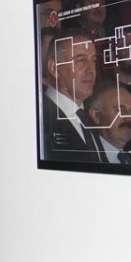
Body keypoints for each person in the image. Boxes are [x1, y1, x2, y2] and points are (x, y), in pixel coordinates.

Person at [39, 28, 102, 162]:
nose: (91, 70)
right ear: (55, 68)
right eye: (80, 60)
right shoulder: (41, 120)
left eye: (93, 60)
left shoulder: (88, 118)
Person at [83, 78, 131, 164]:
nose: (129, 117)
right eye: (120, 110)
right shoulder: (86, 159)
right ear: (96, 116)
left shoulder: (130, 161)